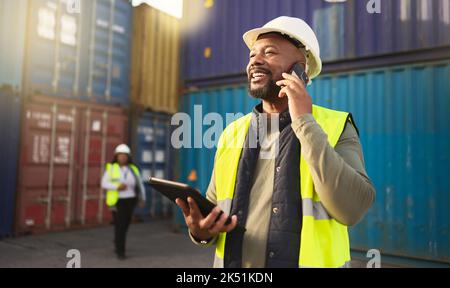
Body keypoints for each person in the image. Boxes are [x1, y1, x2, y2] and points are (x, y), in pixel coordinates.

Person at [176, 16, 375, 268]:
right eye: (251, 55)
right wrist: (201, 232)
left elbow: (352, 208)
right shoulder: (232, 133)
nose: (255, 61)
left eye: (269, 52)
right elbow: (214, 214)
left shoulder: (336, 126)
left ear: (300, 67)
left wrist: (304, 120)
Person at [101, 144, 146, 260]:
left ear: (128, 157)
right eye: (120, 155)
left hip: (131, 200)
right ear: (116, 156)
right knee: (120, 225)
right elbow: (104, 183)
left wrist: (142, 198)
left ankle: (117, 241)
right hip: (118, 201)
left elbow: (140, 184)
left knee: (125, 224)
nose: (122, 158)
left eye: (124, 156)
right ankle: (120, 251)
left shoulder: (133, 169)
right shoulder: (111, 168)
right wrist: (117, 186)